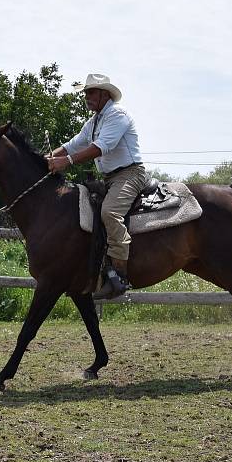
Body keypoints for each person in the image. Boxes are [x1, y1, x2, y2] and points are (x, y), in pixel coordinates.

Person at [47, 73, 146, 299]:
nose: (86, 97)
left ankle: (119, 274)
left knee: (110, 212)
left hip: (130, 174)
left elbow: (102, 146)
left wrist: (66, 162)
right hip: (110, 178)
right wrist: (46, 159)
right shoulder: (94, 122)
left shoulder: (117, 115)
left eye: (90, 92)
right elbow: (72, 145)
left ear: (104, 94)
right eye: (85, 93)